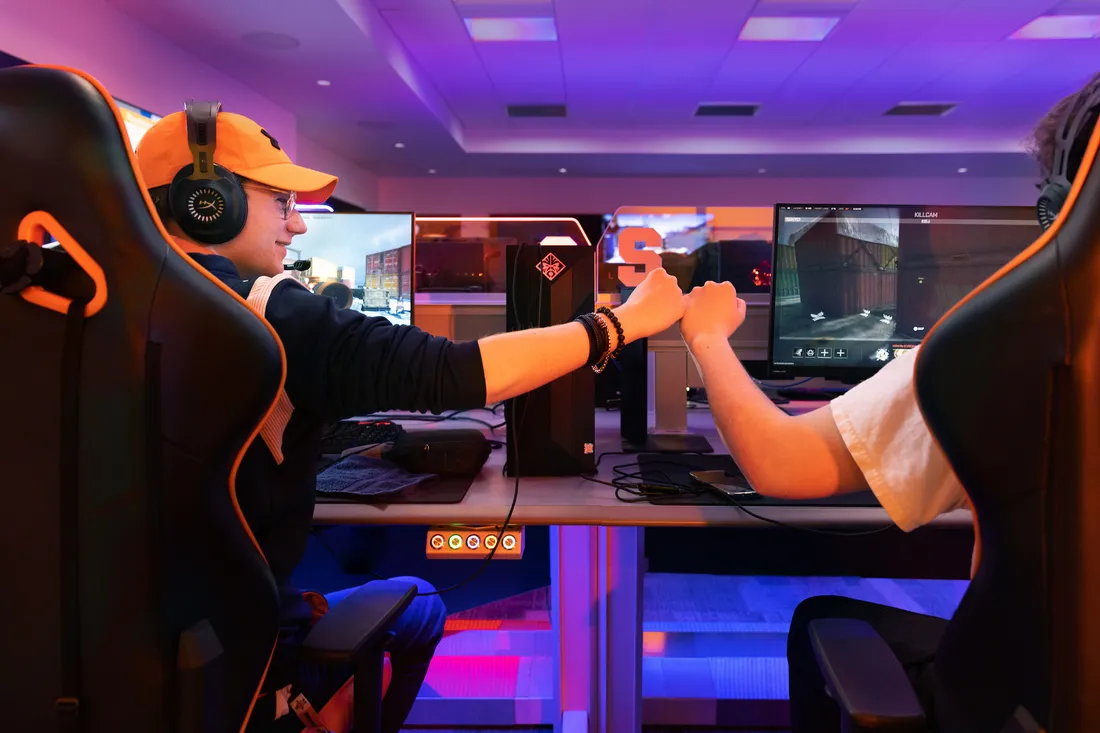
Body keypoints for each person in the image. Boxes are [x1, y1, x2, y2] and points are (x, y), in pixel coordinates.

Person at [133, 106, 684, 733]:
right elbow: (454, 374)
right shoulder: (258, 315)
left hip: (103, 665)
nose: (295, 225)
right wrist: (624, 324)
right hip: (240, 676)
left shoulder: (70, 311)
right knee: (419, 601)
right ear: (208, 200)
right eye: (281, 200)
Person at [679, 70, 1100, 733]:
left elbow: (781, 461)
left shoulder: (1002, 345)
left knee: (828, 620)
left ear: (1065, 205)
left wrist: (705, 336)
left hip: (1016, 705)